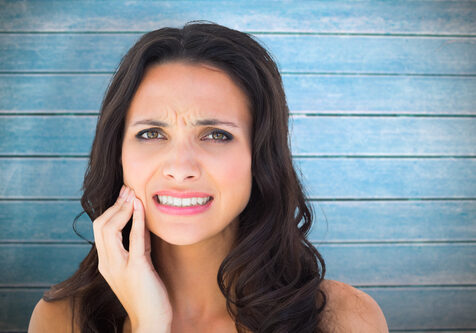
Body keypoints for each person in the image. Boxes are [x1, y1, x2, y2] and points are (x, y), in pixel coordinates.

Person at [28, 21, 388, 332]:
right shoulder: (60, 320)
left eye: (216, 135)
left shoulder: (344, 319)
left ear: (259, 157)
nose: (181, 167)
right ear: (117, 153)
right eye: (152, 133)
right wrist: (149, 325)